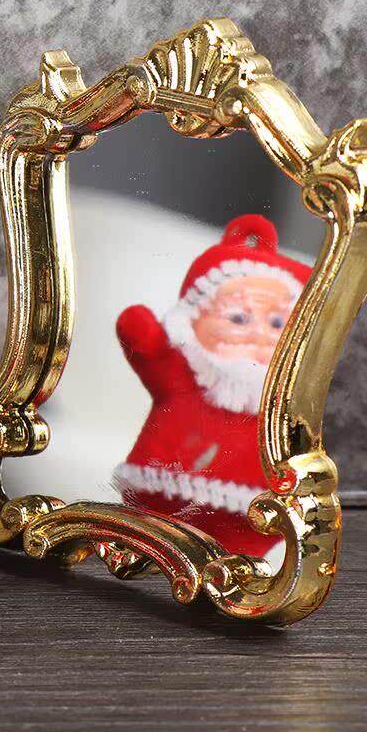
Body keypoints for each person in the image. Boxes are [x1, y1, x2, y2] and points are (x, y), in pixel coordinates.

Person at [113, 214, 310, 560]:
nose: (259, 333)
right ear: (190, 321)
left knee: (241, 555)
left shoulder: (285, 399)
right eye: (238, 318)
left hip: (248, 518)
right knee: (147, 539)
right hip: (158, 502)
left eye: (277, 322)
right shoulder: (183, 372)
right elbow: (148, 348)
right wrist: (143, 336)